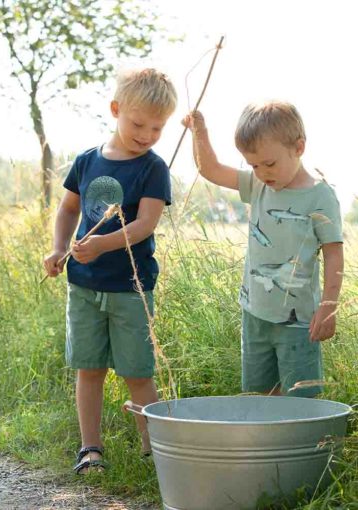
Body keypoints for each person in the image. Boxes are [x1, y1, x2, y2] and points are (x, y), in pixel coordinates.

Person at [43, 68, 177, 473]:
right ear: (116, 110)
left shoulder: (152, 168)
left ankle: (155, 450)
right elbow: (68, 210)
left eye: (158, 127)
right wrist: (58, 249)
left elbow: (144, 225)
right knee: (90, 368)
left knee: (137, 371)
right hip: (83, 286)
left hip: (130, 287)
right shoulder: (86, 161)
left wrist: (101, 244)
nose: (148, 134)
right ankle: (90, 449)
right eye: (139, 123)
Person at [183, 101, 344, 398]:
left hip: (298, 322)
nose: (261, 172)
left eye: (269, 164)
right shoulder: (258, 185)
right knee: (259, 397)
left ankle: (301, 443)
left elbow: (334, 254)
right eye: (254, 165)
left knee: (301, 398)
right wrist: (200, 132)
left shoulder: (321, 196)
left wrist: (328, 306)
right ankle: (265, 444)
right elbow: (211, 169)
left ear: (299, 147)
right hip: (255, 314)